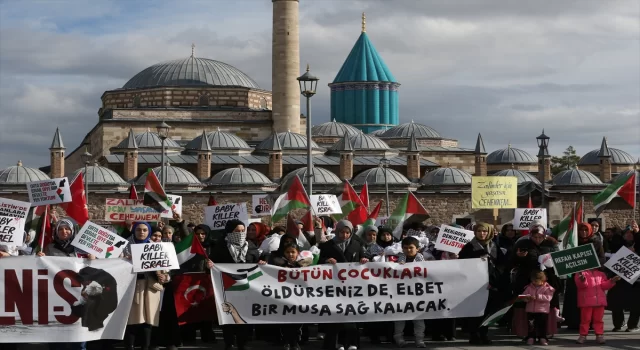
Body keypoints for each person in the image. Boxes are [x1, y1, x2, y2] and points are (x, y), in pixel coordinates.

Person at [206, 219, 261, 350]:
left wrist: (262, 264)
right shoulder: (220, 247)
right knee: (228, 315)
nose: (241, 233)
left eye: (243, 231)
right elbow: (211, 265)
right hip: (227, 288)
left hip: (246, 289)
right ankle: (229, 342)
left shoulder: (251, 246)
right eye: (237, 231)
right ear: (229, 232)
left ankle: (242, 343)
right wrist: (209, 266)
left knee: (244, 316)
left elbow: (257, 263)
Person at [318, 220, 368, 350]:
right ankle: (335, 343)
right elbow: (319, 262)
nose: (344, 235)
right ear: (337, 231)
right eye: (341, 232)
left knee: (351, 313)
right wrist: (326, 260)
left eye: (347, 232)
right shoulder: (328, 245)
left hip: (352, 285)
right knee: (336, 314)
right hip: (334, 285)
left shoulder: (357, 244)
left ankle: (352, 343)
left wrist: (364, 260)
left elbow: (364, 258)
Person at [123, 222, 171, 350]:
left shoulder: (156, 248)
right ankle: (130, 346)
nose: (141, 232)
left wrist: (164, 277)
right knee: (132, 320)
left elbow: (166, 270)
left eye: (145, 230)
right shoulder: (124, 247)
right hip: (133, 287)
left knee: (149, 320)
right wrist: (126, 260)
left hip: (151, 288)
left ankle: (146, 346)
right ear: (134, 231)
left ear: (148, 232)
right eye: (138, 230)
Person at [458, 222, 506, 345]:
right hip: (474, 284)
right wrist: (477, 258)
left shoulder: (494, 245)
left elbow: (501, 264)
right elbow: (462, 263)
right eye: (479, 231)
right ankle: (474, 335)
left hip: (490, 284)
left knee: (487, 311)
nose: (482, 233)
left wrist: (494, 279)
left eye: (484, 231)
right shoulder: (469, 246)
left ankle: (484, 335)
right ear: (475, 232)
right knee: (475, 311)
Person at [562, 222, 606, 329]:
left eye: (586, 230)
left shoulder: (596, 242)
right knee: (573, 298)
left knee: (588, 300)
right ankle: (573, 322)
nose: (584, 232)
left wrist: (590, 263)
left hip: (590, 277)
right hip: (574, 276)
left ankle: (589, 323)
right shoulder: (573, 242)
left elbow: (602, 259)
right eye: (581, 230)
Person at [393, 236, 426, 348]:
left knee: (419, 318)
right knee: (400, 318)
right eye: (405, 248)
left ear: (417, 249)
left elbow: (423, 270)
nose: (408, 250)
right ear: (402, 249)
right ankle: (399, 338)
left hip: (417, 294)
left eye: (411, 248)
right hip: (401, 293)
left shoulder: (420, 258)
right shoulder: (400, 258)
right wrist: (400, 264)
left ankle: (419, 339)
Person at [574, 268, 621, 344]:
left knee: (598, 320)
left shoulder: (601, 274)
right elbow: (581, 286)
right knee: (585, 320)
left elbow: (604, 286)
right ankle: (583, 335)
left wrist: (612, 281)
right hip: (587, 301)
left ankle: (599, 335)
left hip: (599, 302)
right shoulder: (580, 272)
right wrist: (582, 280)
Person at [607, 228, 640, 332]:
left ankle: (632, 325)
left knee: (635, 304)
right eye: (627, 233)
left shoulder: (638, 245)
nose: (629, 235)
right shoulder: (618, 244)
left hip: (635, 280)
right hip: (619, 278)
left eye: (631, 233)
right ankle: (618, 324)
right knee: (616, 303)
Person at [522, 271, 555, 346]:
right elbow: (524, 295)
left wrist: (538, 297)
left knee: (542, 325)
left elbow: (548, 298)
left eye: (536, 281)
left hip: (542, 310)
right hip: (531, 310)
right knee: (531, 325)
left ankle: (542, 337)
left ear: (542, 280)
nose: (534, 282)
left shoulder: (547, 288)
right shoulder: (529, 287)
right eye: (532, 281)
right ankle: (531, 337)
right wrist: (527, 298)